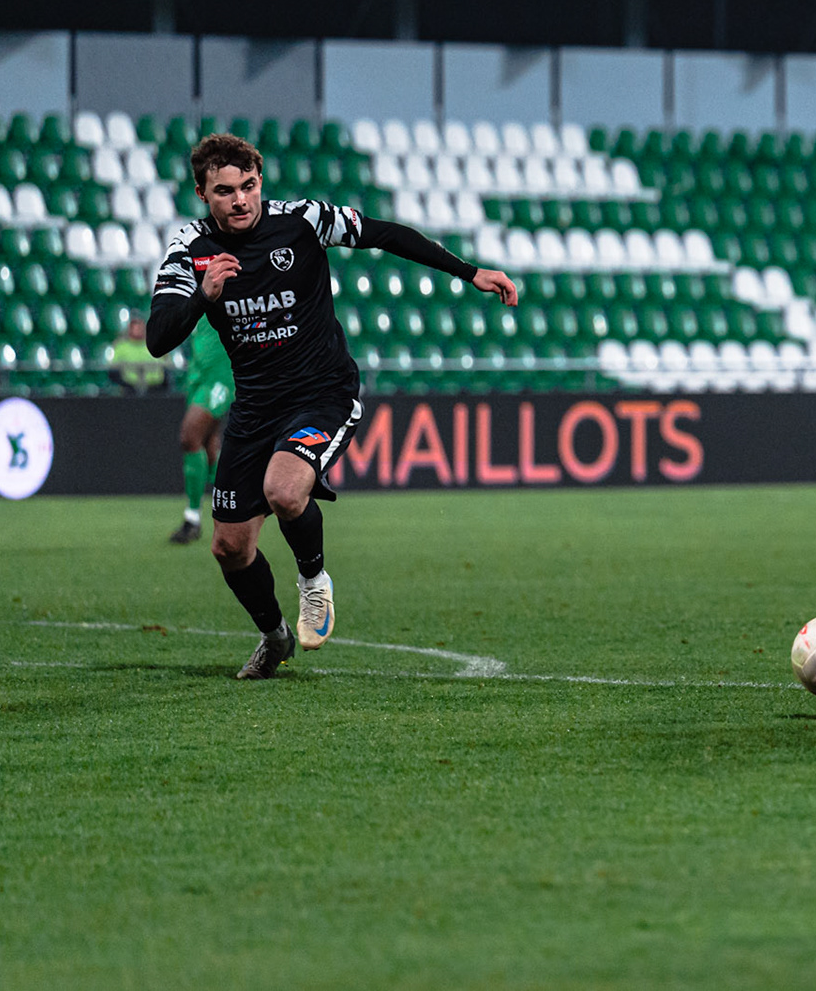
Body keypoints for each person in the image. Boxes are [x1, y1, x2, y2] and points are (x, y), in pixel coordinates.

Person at [146, 134, 518, 680]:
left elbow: (383, 233)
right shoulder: (189, 248)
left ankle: (314, 582)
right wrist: (203, 295)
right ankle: (274, 637)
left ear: (260, 182)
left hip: (321, 390)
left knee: (285, 488)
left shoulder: (303, 220)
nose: (241, 200)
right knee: (229, 547)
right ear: (202, 192)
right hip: (254, 406)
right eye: (225, 191)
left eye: (249, 186)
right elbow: (158, 338)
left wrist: (468, 272)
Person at [169, 316, 233, 544]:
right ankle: (232, 508)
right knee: (208, 443)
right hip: (198, 374)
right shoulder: (198, 288)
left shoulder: (228, 285)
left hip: (220, 377)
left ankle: (192, 518)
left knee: (190, 437)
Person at [106, 315, 166, 394]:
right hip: (128, 388)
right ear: (130, 329)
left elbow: (165, 365)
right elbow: (114, 367)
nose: (138, 330)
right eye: (136, 328)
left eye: (140, 328)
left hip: (154, 388)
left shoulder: (155, 345)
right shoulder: (120, 346)